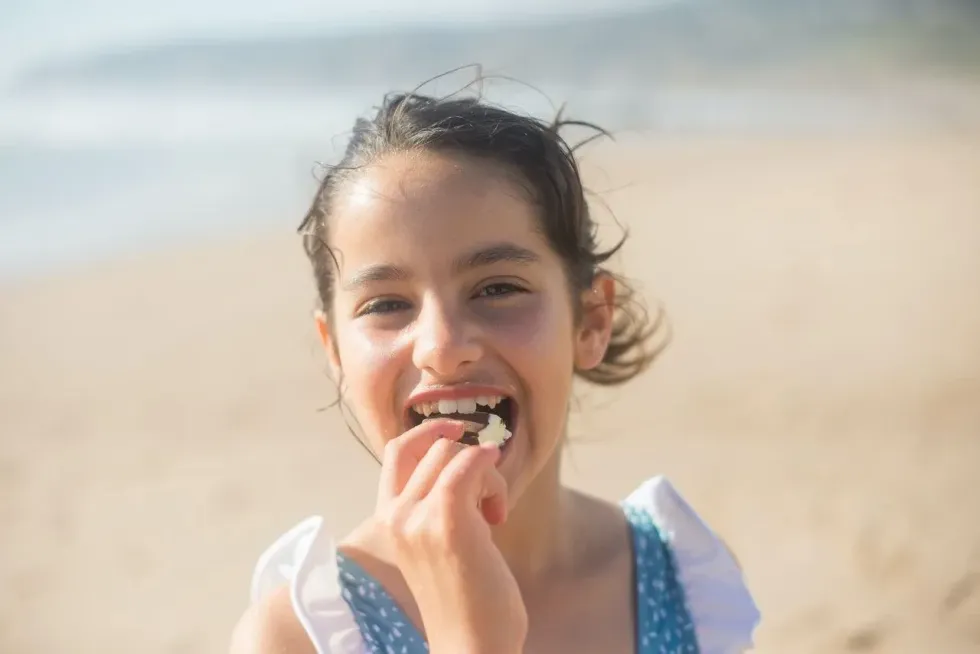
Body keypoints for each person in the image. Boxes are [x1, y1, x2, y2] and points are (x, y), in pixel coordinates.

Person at [230, 90, 760, 654]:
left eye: (499, 288)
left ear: (591, 321)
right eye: (386, 304)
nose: (442, 347)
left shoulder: (685, 577)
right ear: (334, 350)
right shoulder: (298, 636)